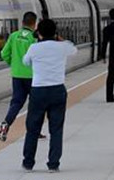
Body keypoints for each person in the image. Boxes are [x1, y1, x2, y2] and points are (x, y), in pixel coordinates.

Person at [21, 19, 77, 172]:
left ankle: (28, 162)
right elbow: (73, 49)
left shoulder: (34, 48)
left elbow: (25, 62)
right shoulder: (63, 47)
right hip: (57, 90)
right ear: (55, 33)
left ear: (39, 33)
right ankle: (53, 164)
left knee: (33, 128)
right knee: (56, 129)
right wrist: (59, 39)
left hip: (38, 91)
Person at [0, 11, 38, 141]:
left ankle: (6, 123)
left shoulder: (14, 36)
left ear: (22, 22)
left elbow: (4, 53)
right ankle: (33, 130)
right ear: (34, 24)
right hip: (32, 76)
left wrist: (14, 64)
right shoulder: (34, 38)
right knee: (34, 104)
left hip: (17, 75)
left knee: (16, 102)